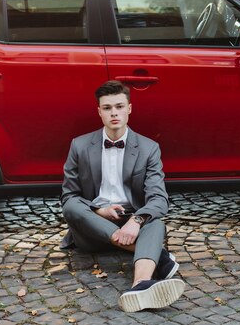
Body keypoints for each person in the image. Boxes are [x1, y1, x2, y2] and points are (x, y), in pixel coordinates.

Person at [60, 80, 184, 312]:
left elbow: (159, 198)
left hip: (131, 221)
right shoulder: (80, 145)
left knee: (154, 224)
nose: (114, 112)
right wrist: (99, 210)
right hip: (93, 226)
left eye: (119, 106)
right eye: (107, 108)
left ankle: (140, 286)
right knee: (72, 208)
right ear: (99, 112)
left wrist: (135, 221)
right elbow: (69, 197)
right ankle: (157, 253)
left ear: (129, 108)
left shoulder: (149, 148)